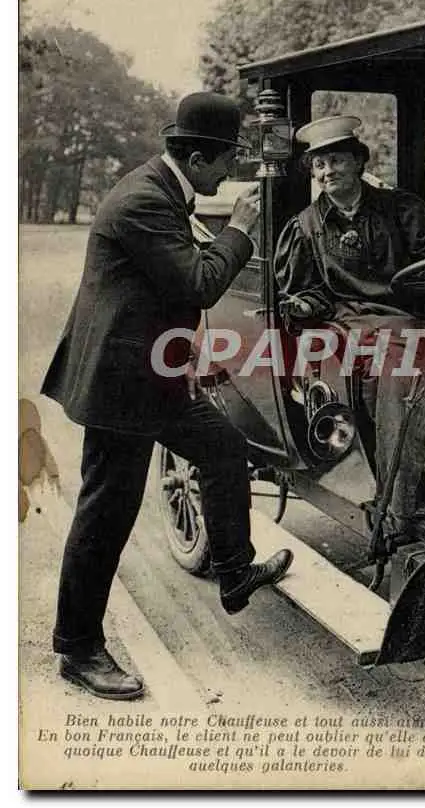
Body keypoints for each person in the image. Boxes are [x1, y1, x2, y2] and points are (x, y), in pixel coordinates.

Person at [42, 92, 293, 701]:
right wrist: (241, 229)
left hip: (151, 374)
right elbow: (200, 283)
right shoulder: (145, 199)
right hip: (120, 387)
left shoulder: (163, 189)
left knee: (225, 449)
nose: (230, 175)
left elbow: (165, 287)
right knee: (107, 514)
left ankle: (234, 571)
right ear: (198, 158)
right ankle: (78, 649)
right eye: (227, 161)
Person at [274, 116, 425, 536]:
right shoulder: (305, 227)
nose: (327, 172)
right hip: (357, 322)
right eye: (319, 165)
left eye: (337, 160)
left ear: (358, 162)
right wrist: (303, 304)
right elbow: (308, 291)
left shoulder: (400, 208)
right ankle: (399, 505)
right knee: (403, 371)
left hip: (413, 316)